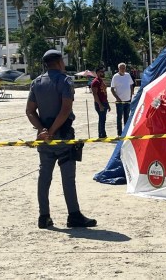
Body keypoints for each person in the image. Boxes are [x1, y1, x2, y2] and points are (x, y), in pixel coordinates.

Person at [26, 49, 97, 229]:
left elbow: (30, 111)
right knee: (67, 178)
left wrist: (43, 130)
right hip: (63, 136)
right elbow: (65, 110)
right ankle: (73, 215)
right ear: (59, 62)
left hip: (44, 139)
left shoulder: (36, 83)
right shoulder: (65, 80)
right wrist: (52, 130)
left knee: (44, 177)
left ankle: (44, 216)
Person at [111, 62, 134, 136]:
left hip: (128, 100)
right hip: (119, 101)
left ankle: (126, 132)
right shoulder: (115, 76)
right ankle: (119, 133)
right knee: (119, 117)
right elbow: (112, 89)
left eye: (124, 68)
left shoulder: (128, 75)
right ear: (119, 69)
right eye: (121, 68)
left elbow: (131, 85)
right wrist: (117, 98)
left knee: (127, 117)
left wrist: (131, 95)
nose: (123, 69)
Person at [91, 67, 111, 138]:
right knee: (102, 119)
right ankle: (101, 134)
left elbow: (104, 93)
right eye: (100, 72)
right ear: (96, 73)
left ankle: (103, 133)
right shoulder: (95, 82)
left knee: (103, 119)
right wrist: (100, 105)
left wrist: (107, 104)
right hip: (100, 103)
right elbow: (95, 94)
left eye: (102, 72)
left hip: (104, 102)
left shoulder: (101, 81)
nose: (101, 73)